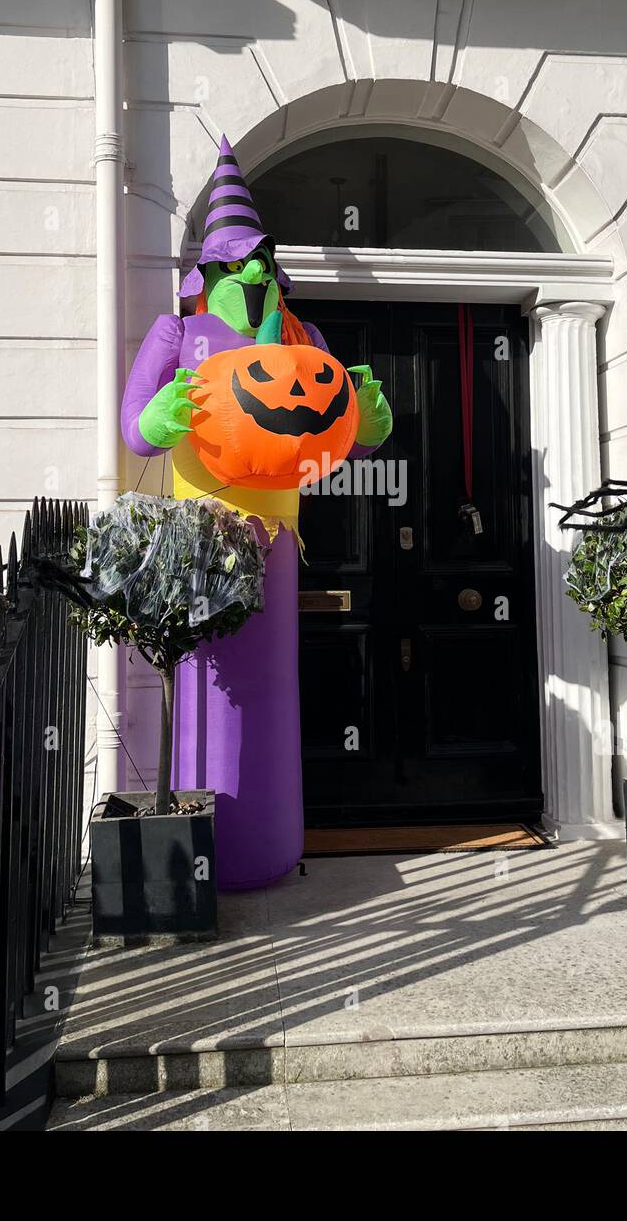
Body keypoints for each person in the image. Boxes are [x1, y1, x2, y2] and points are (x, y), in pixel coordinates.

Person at [120, 137, 391, 888]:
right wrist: (166, 414)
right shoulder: (177, 333)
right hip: (200, 539)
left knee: (268, 694)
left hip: (277, 535)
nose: (250, 274)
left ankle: (271, 845)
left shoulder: (306, 338)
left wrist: (371, 418)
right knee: (207, 685)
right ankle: (211, 854)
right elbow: (135, 425)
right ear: (203, 276)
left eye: (260, 264)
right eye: (235, 264)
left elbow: (352, 441)